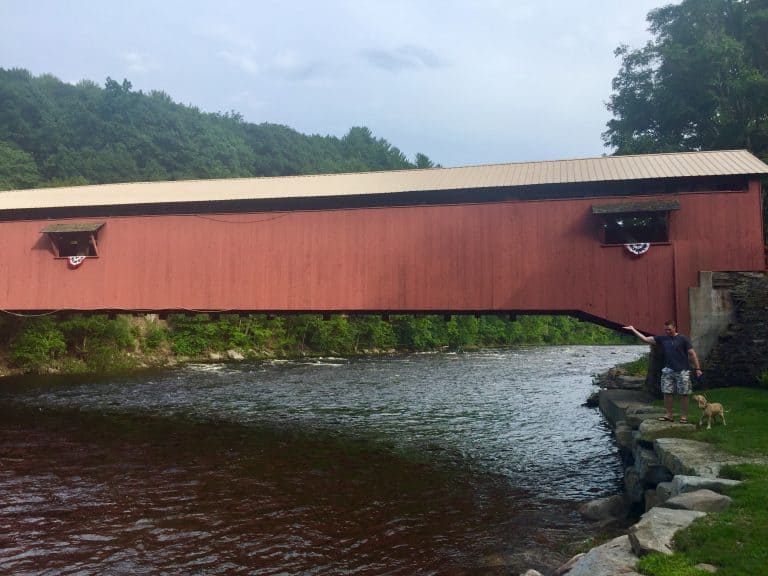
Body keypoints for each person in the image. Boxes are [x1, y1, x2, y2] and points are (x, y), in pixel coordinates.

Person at [623, 321, 702, 423]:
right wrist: (633, 329)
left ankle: (684, 417)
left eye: (669, 329)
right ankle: (669, 415)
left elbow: (692, 354)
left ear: (674, 328)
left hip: (682, 371)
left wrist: (698, 368)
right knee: (667, 392)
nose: (667, 331)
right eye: (665, 330)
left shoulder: (683, 339)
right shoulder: (662, 339)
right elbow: (646, 339)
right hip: (668, 370)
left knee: (684, 394)